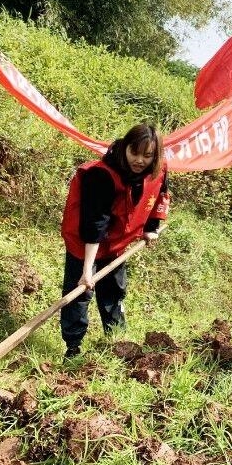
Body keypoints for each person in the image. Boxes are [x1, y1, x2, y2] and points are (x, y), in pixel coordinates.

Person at [60, 124, 169, 359]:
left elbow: (160, 193)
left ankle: (117, 340)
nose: (140, 160)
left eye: (147, 155)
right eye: (134, 152)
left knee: (114, 290)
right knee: (79, 293)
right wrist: (87, 270)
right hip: (84, 242)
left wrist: (152, 227)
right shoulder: (101, 175)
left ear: (156, 155)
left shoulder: (158, 169)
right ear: (125, 147)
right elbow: (94, 224)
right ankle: (73, 348)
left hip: (118, 242)